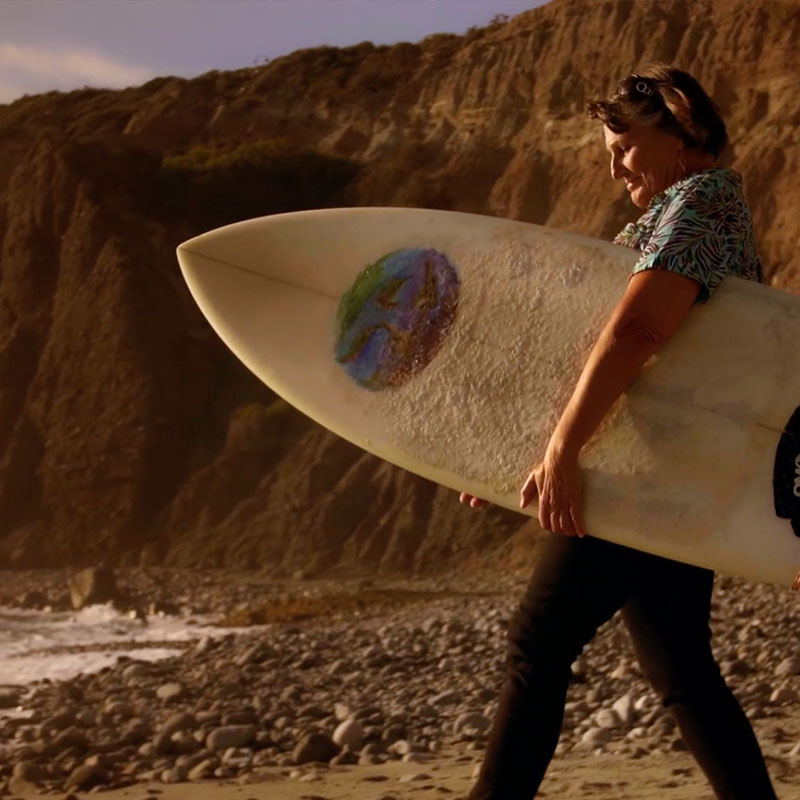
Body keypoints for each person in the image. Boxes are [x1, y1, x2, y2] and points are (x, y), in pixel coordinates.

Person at [462, 65, 775, 800]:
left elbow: (637, 332)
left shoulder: (702, 201)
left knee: (537, 645)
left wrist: (565, 450)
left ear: (679, 133)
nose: (613, 167)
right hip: (678, 468)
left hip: (649, 469)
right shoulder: (680, 210)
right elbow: (601, 354)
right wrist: (527, 450)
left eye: (625, 146)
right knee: (681, 672)